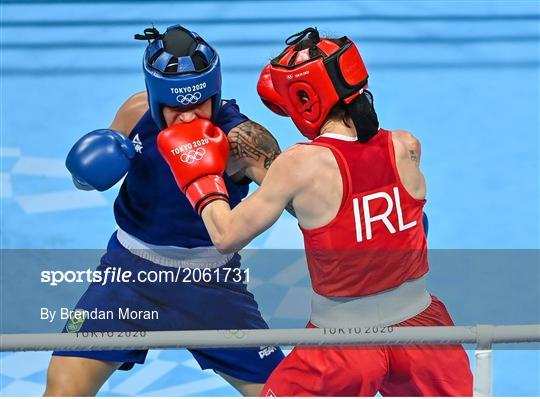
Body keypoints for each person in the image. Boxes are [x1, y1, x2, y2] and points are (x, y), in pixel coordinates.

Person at [158, 27, 473, 396]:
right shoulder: (407, 146)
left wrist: (200, 176)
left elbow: (226, 236)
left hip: (342, 345)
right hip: (426, 334)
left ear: (307, 98)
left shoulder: (300, 165)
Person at [44, 25, 284, 396]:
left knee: (285, 394)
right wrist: (85, 174)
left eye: (198, 104)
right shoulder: (135, 112)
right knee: (63, 389)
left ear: (214, 93)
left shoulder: (244, 140)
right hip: (126, 275)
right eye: (175, 107)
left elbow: (301, 197)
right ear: (156, 98)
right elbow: (88, 179)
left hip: (211, 286)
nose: (188, 118)